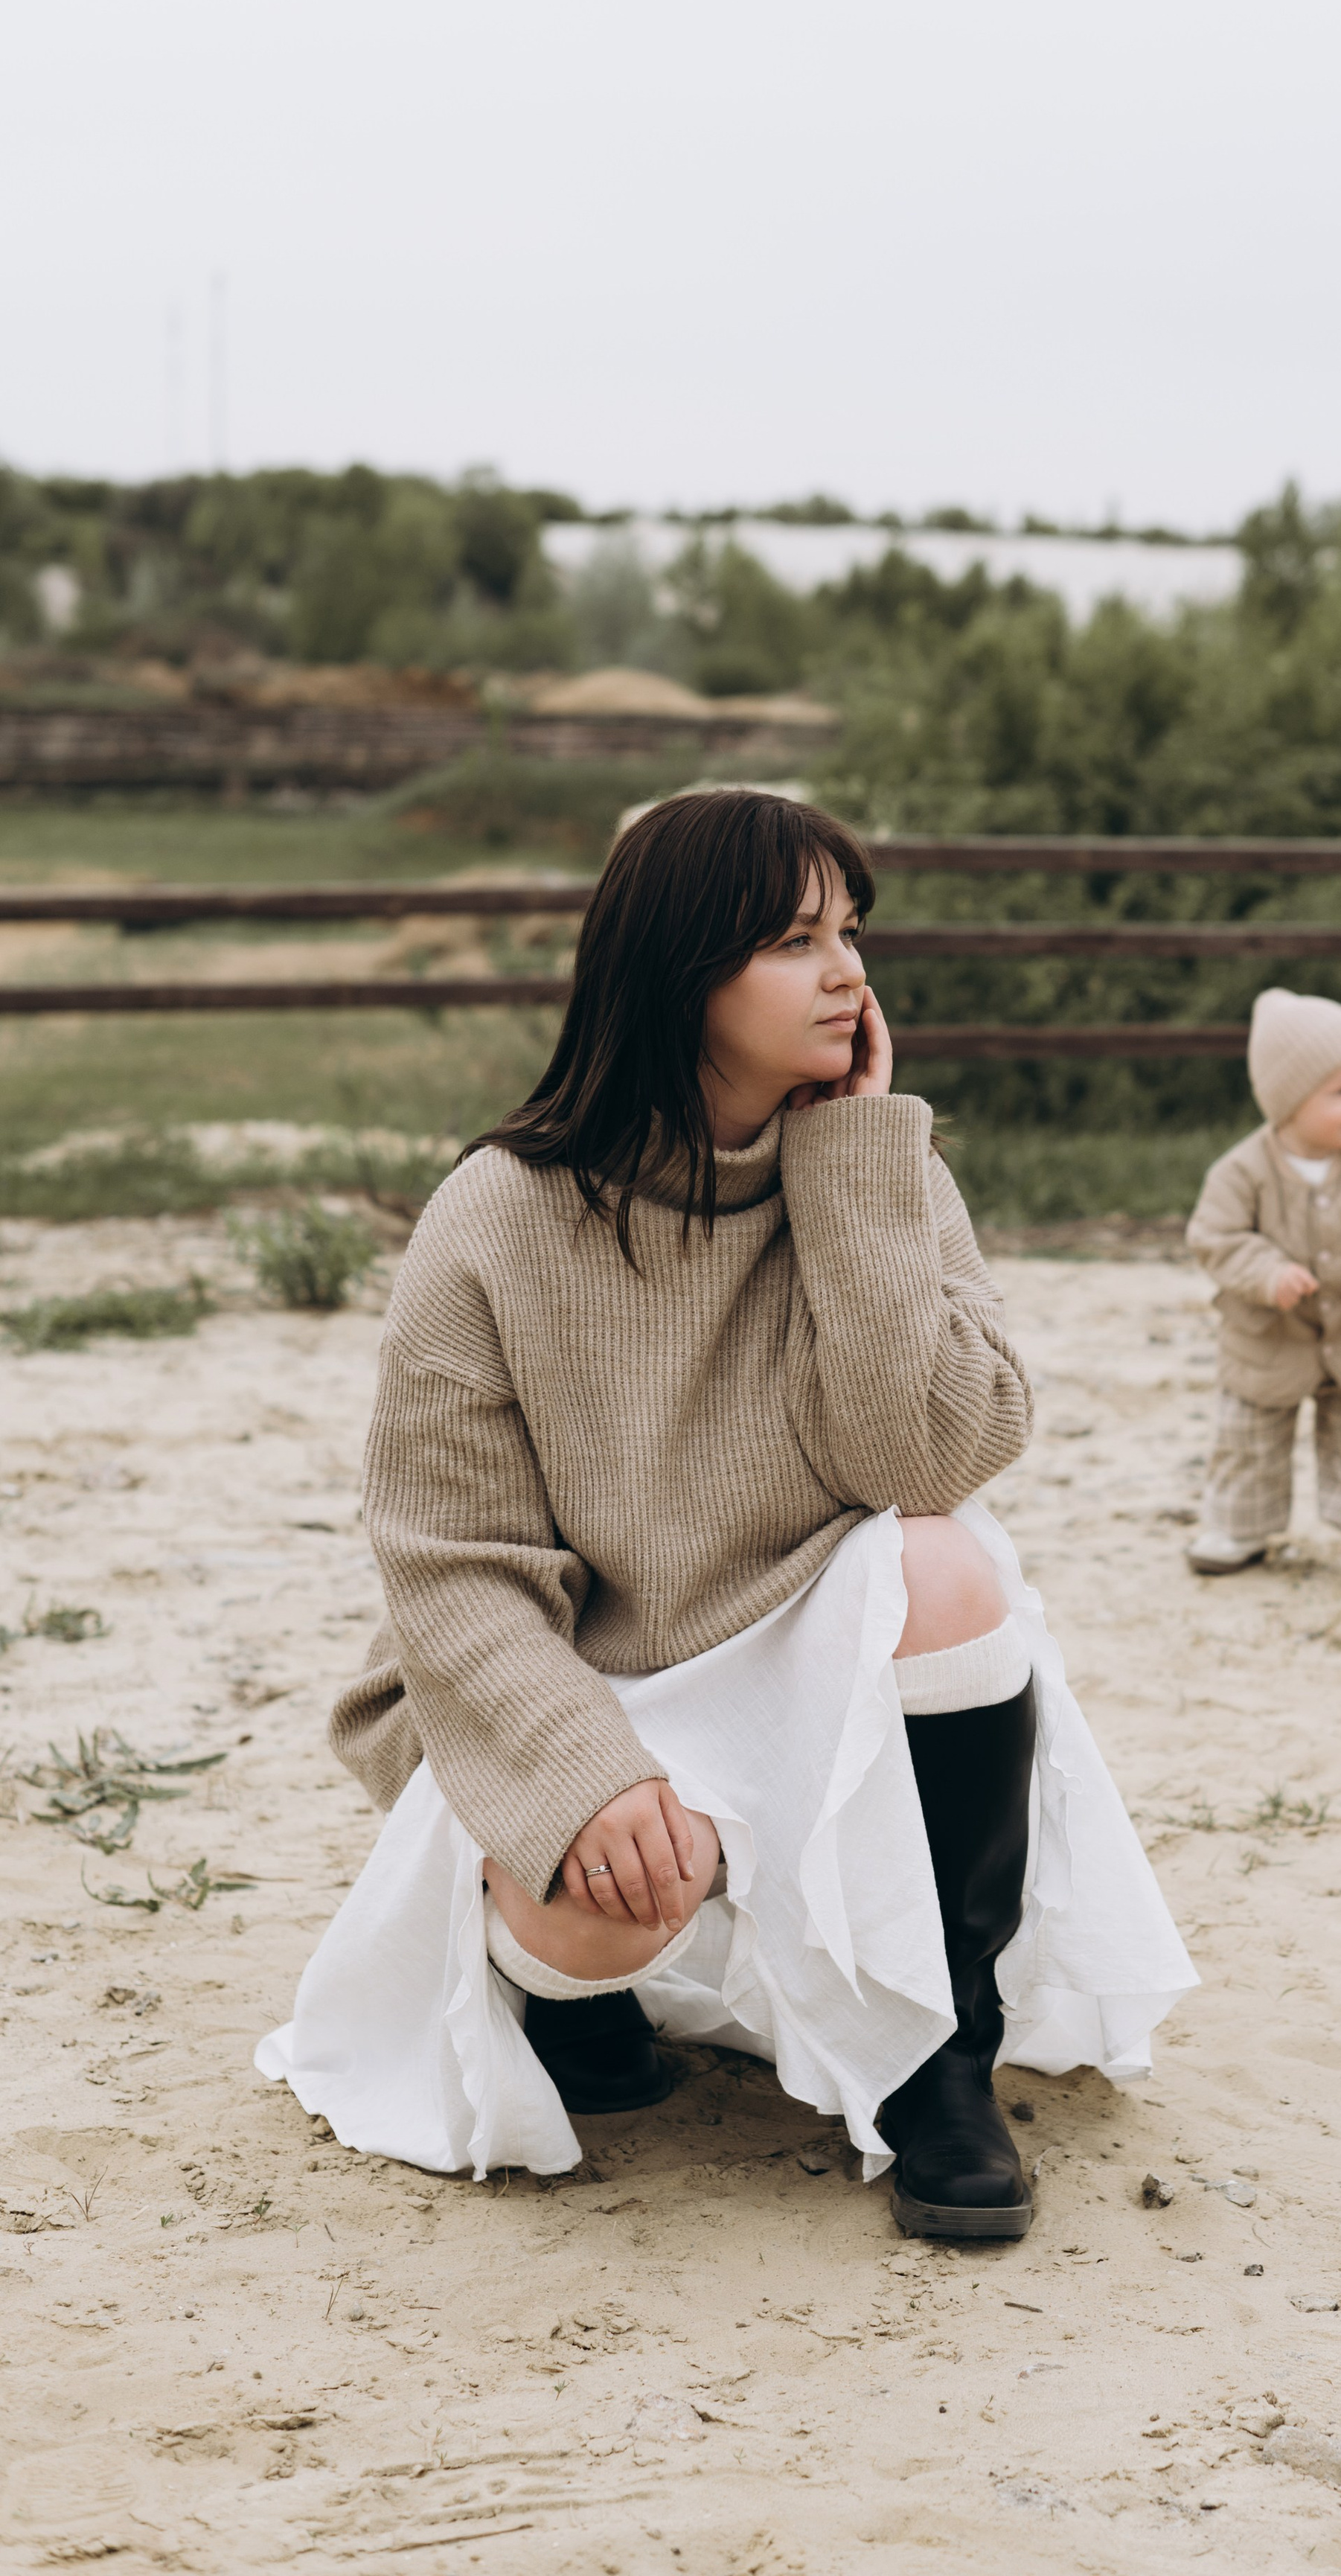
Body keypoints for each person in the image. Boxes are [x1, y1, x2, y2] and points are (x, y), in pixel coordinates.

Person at [257, 788, 1193, 2240]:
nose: (846, 971)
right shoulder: (497, 1214)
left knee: (944, 1571)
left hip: (792, 1638)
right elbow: (451, 1573)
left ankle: (942, 2060)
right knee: (607, 1909)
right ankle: (568, 1990)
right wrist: (583, 1774)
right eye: (792, 938)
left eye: (850, 932)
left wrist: (854, 1175)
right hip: (588, 1670)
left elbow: (930, 1456)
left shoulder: (881, 1175)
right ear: (681, 969)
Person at [1183, 987, 1341, 1588]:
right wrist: (1265, 1273)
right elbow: (1215, 1237)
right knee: (1249, 1434)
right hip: (1267, 1339)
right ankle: (1239, 1525)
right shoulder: (1241, 1171)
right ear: (1288, 1099)